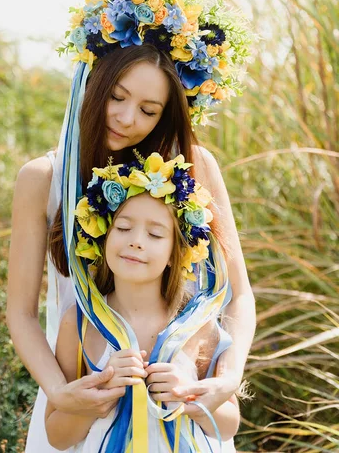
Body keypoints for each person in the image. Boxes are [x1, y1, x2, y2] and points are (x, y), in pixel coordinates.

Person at [6, 0, 256, 451]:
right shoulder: (43, 179)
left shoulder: (195, 167)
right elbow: (21, 313)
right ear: (93, 83)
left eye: (148, 110)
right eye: (117, 97)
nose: (126, 118)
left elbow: (239, 297)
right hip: (83, 392)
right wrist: (62, 393)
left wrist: (227, 380)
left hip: (183, 399)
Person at [45, 153, 239, 452]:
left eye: (155, 234)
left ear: (177, 254)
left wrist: (188, 396)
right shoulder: (81, 324)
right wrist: (104, 392)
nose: (136, 240)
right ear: (104, 235)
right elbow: (57, 436)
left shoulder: (197, 324)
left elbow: (229, 424)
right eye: (123, 228)